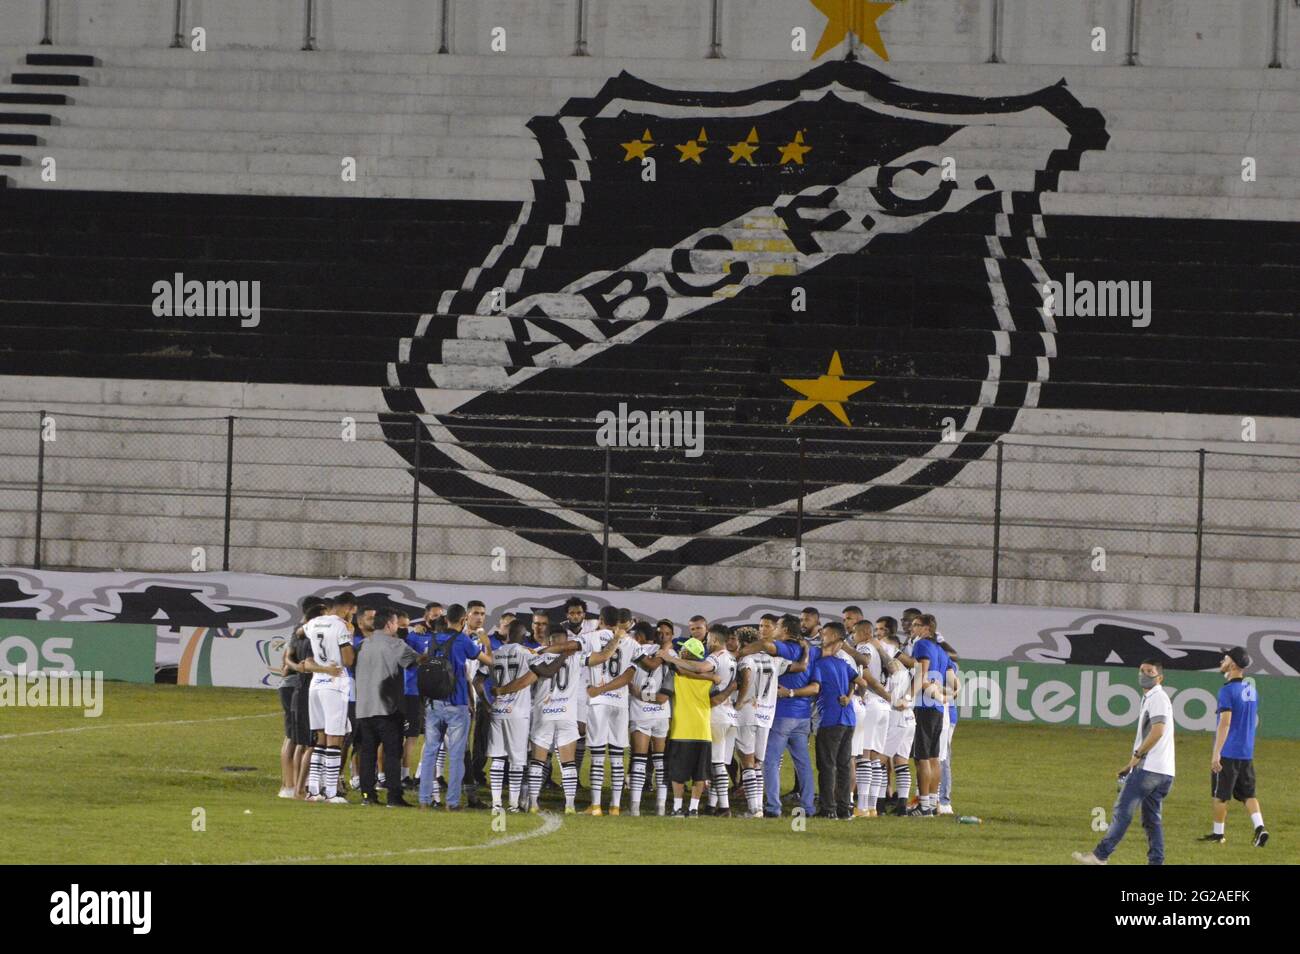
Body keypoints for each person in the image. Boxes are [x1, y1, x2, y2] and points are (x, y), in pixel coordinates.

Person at [1074, 660, 1176, 865]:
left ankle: (1100, 856)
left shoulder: (1157, 697)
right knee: (1152, 820)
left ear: (1160, 677)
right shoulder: (1153, 697)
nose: (1144, 674)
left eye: (1150, 671)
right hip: (1165, 772)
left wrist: (1137, 756)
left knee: (1123, 811)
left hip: (1149, 770)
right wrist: (1132, 762)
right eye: (1141, 670)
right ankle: (1156, 861)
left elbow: (1158, 731)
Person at [416, 604, 493, 811]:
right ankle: (452, 802)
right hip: (457, 703)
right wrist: (486, 643)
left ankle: (424, 800)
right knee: (457, 755)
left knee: (430, 752)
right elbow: (489, 661)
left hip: (433, 703)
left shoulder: (432, 639)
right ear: (462, 621)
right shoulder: (462, 640)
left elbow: (422, 659)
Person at [354, 608, 423, 807]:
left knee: (367, 753)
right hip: (388, 708)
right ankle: (394, 797)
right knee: (392, 754)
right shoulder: (396, 644)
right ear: (388, 624)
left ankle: (367, 796)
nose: (397, 627)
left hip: (364, 708)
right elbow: (416, 661)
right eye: (395, 623)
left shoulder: (362, 645)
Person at [1201, 647, 1268, 847]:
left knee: (1220, 795)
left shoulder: (1227, 691)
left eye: (1226, 657)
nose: (1223, 659)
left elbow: (1225, 723)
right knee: (1248, 794)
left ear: (1234, 665)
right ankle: (1260, 828)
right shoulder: (1251, 690)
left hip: (1229, 751)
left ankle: (1218, 834)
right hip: (1246, 752)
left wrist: (1216, 754)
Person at [750, 614, 815, 818]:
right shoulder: (810, 652)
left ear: (785, 630)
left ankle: (773, 807)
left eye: (777, 626)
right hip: (803, 716)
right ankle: (807, 807)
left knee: (769, 760)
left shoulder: (784, 648)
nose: (774, 630)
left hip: (782, 714)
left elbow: (767, 646)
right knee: (802, 763)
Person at [735, 621, 797, 817]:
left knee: (747, 763)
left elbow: (746, 676)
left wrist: (739, 701)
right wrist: (804, 649)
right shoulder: (774, 660)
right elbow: (800, 666)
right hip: (766, 715)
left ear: (743, 643)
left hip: (748, 713)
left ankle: (754, 809)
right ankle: (760, 807)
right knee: (758, 763)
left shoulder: (745, 660)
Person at [302, 593, 357, 803]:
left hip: (316, 683)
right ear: (349, 608)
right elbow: (348, 659)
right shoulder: (341, 626)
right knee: (335, 738)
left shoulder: (313, 622)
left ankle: (314, 790)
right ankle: (331, 792)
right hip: (335, 684)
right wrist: (349, 637)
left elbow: (301, 631)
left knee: (321, 738)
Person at [584, 607, 639, 815]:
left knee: (597, 753)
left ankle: (596, 805)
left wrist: (598, 689)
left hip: (598, 701)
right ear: (619, 622)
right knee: (617, 754)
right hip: (620, 702)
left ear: (600, 620)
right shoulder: (632, 644)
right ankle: (615, 806)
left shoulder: (591, 637)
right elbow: (631, 673)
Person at [661, 636, 720, 817]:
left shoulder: (675, 673)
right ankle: (693, 809)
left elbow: (664, 695)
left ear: (685, 652)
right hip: (703, 731)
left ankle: (677, 807)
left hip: (681, 729)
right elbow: (716, 700)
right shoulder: (709, 679)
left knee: (678, 773)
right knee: (700, 773)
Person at [482, 619, 536, 813]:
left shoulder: (494, 654)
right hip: (518, 712)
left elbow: (477, 681)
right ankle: (513, 804)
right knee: (517, 760)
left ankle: (496, 803)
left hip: (497, 710)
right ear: (523, 636)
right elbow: (537, 674)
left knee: (497, 758)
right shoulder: (528, 654)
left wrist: (487, 703)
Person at [809, 622, 862, 819]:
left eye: (826, 634)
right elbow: (859, 682)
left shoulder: (820, 663)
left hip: (830, 719)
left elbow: (814, 688)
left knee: (827, 765)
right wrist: (848, 695)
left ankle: (828, 809)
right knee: (843, 765)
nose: (822, 637)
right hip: (848, 719)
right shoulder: (842, 664)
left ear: (834, 637)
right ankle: (844, 808)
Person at [907, 613, 951, 816]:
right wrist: (943, 694)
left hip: (923, 707)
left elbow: (921, 674)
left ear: (927, 629)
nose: (912, 628)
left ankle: (923, 806)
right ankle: (932, 804)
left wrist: (907, 697)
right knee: (934, 757)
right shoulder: (941, 650)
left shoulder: (922, 645)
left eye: (916, 625)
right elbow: (951, 679)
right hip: (938, 709)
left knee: (922, 758)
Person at [627, 621, 671, 816]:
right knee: (660, 760)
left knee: (639, 759)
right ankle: (661, 806)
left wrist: (639, 695)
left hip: (640, 712)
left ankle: (635, 806)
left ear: (639, 637)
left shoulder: (633, 650)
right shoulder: (668, 653)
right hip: (662, 713)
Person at [705, 624, 739, 817]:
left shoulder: (715, 657)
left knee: (716, 763)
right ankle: (711, 804)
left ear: (715, 640)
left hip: (717, 714)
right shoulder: (732, 658)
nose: (708, 642)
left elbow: (704, 669)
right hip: (731, 714)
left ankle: (724, 807)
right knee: (720, 763)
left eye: (709, 638)